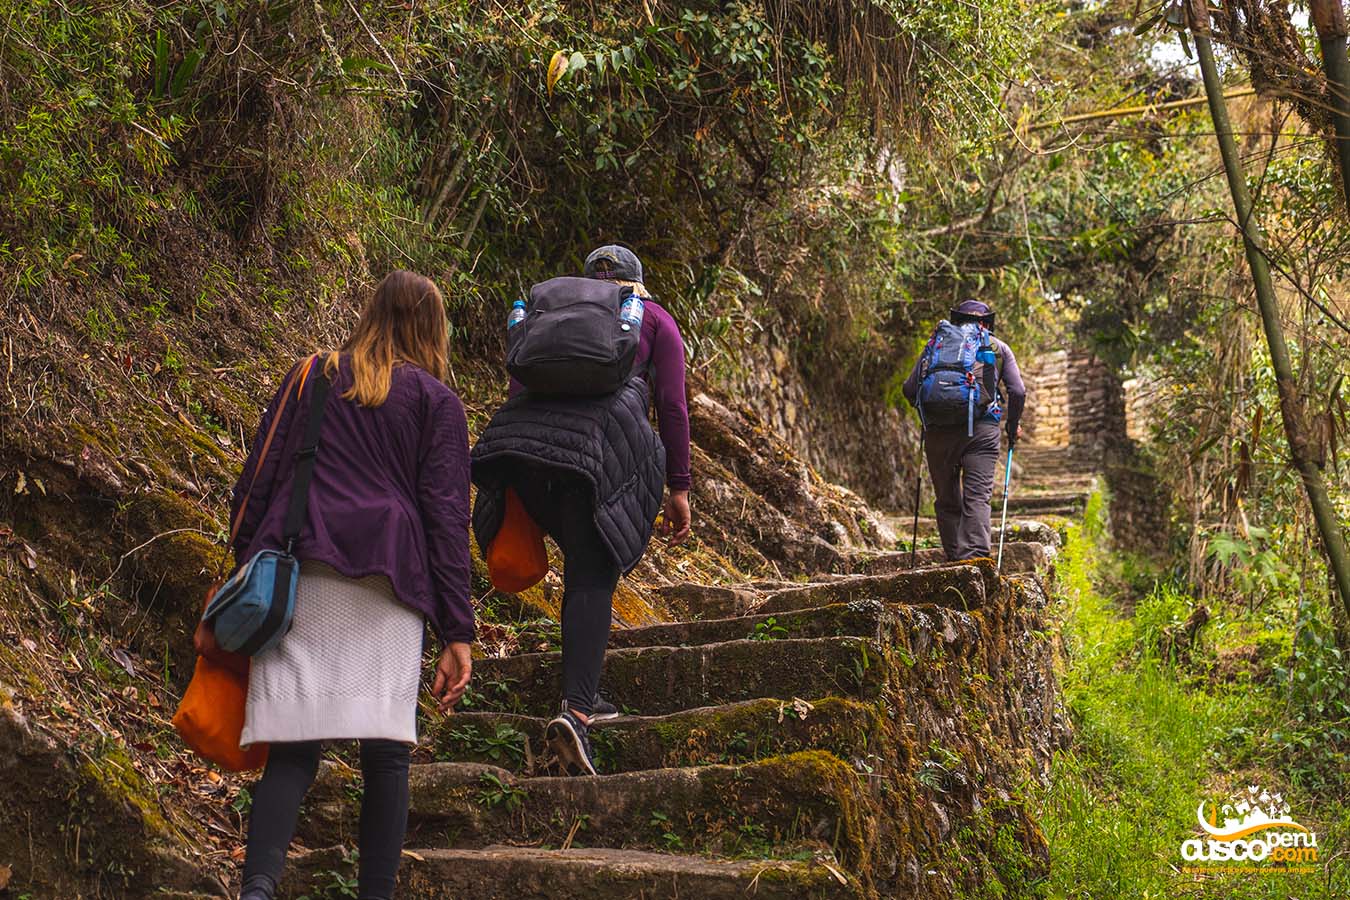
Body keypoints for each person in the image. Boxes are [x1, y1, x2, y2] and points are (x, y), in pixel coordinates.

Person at [200, 270, 475, 900]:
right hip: (390, 586)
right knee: (388, 755)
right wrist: (456, 631)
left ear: (370, 313)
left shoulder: (313, 376)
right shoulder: (436, 403)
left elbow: (260, 478)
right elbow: (444, 519)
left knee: (293, 748)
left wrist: (250, 565)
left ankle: (259, 888)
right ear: (434, 330)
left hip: (303, 571)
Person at [471, 245, 692, 776]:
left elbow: (519, 381)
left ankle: (584, 688)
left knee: (580, 558)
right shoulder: (654, 319)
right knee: (591, 575)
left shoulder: (552, 313)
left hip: (523, 450)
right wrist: (679, 487)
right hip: (597, 455)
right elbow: (674, 406)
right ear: (638, 284)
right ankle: (577, 712)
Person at [902, 299, 1026, 561]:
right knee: (977, 496)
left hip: (938, 432)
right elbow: (1017, 391)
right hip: (982, 432)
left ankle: (954, 558)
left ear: (956, 319)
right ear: (986, 323)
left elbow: (909, 389)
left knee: (947, 499)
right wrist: (1012, 427)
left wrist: (934, 411)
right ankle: (975, 559)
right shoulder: (998, 347)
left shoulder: (935, 345)